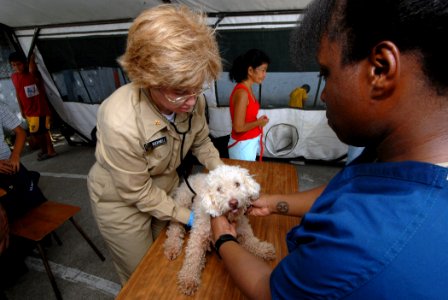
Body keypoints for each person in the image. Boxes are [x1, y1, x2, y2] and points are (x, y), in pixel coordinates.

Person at [211, 0, 448, 299]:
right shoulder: (392, 155)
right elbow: (348, 188)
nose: (323, 93)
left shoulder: (358, 246)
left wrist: (223, 239)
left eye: (326, 73)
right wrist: (275, 203)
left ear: (381, 69)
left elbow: (268, 288)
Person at [87, 4, 224, 285]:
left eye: (197, 88)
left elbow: (202, 142)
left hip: (166, 189)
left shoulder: (191, 95)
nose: (191, 100)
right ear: (148, 79)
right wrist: (194, 218)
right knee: (143, 276)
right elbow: (137, 193)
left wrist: (223, 176)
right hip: (123, 202)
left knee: (167, 263)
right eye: (179, 93)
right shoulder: (119, 118)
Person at [9, 51, 57, 161]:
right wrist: (22, 110)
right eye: (13, 65)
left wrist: (31, 59)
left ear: (25, 63)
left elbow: (33, 69)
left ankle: (51, 151)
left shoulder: (32, 74)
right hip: (28, 111)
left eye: (19, 64)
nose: (16, 67)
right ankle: (45, 150)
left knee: (43, 132)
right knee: (37, 133)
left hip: (40, 109)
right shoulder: (14, 77)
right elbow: (18, 92)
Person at [227, 49, 270, 161]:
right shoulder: (242, 93)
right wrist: (259, 122)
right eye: (263, 70)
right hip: (242, 147)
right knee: (243, 177)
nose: (265, 75)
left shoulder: (247, 89)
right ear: (250, 70)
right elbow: (238, 127)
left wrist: (258, 122)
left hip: (247, 143)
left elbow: (247, 118)